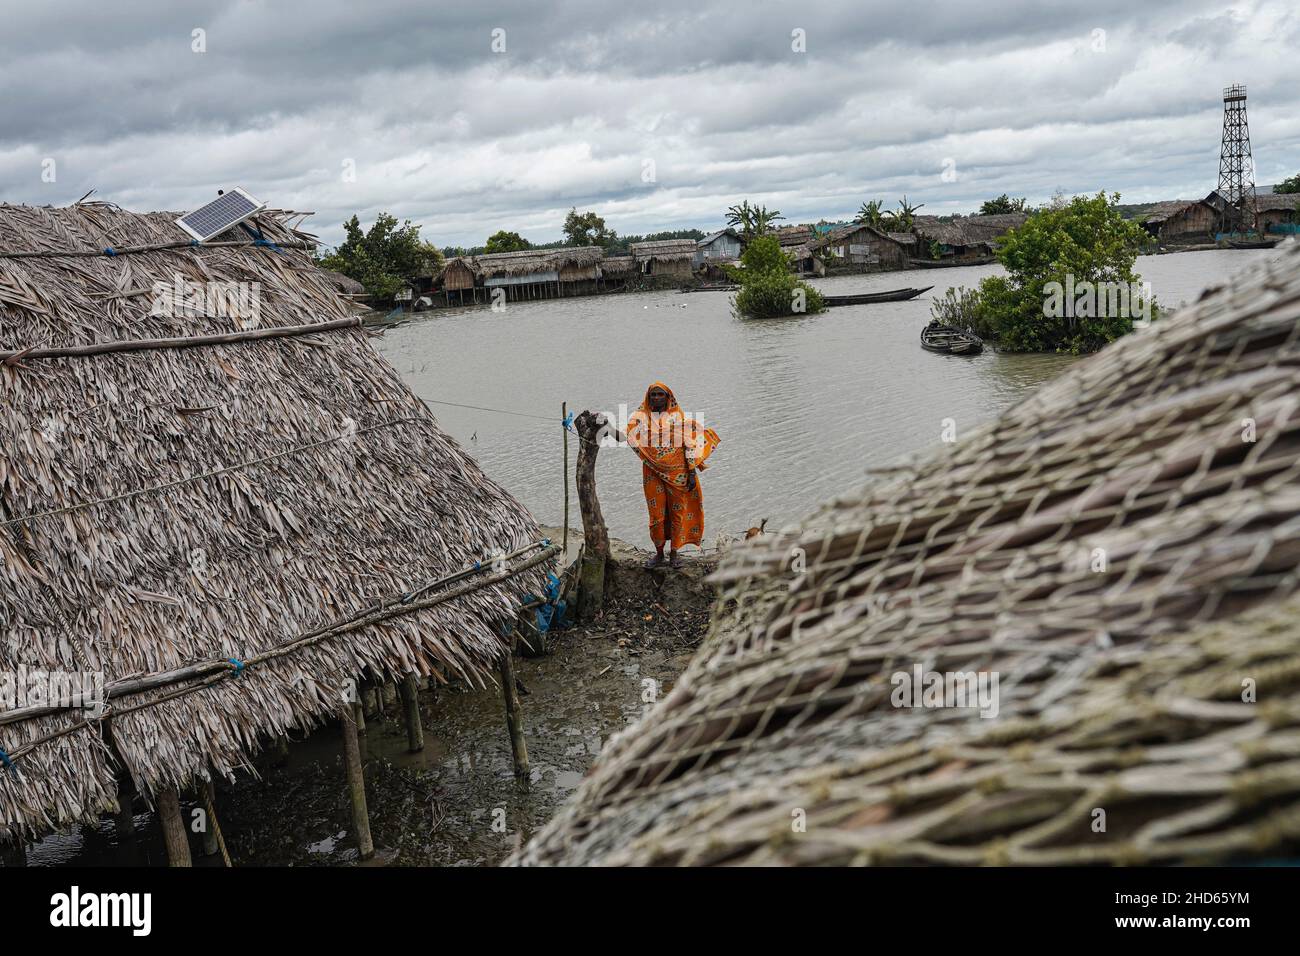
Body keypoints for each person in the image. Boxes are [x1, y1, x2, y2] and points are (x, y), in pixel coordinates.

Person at [625, 381, 719, 569]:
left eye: (661, 395)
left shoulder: (677, 417)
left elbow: (689, 445)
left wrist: (692, 472)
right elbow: (627, 436)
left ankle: (674, 552)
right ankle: (659, 553)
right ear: (648, 397)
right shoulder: (640, 418)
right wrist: (606, 427)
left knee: (678, 513)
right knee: (656, 516)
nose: (657, 398)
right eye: (654, 395)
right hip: (652, 472)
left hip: (679, 473)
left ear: (668, 398)